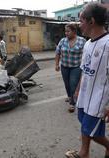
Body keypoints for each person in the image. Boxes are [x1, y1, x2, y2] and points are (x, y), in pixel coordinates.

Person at [65, 2, 109, 158]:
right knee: (87, 127)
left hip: (99, 100)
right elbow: (84, 70)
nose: (79, 25)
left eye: (81, 20)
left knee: (89, 129)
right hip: (85, 97)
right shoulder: (88, 44)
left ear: (91, 21)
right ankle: (86, 152)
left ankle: (84, 154)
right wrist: (77, 90)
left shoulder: (108, 44)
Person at [55, 23, 86, 112]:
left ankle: (72, 103)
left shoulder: (82, 41)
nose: (66, 33)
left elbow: (86, 54)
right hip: (64, 66)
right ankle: (69, 96)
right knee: (67, 84)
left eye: (68, 31)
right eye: (65, 31)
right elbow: (57, 52)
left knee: (73, 84)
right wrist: (57, 64)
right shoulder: (62, 41)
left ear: (74, 31)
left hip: (76, 67)